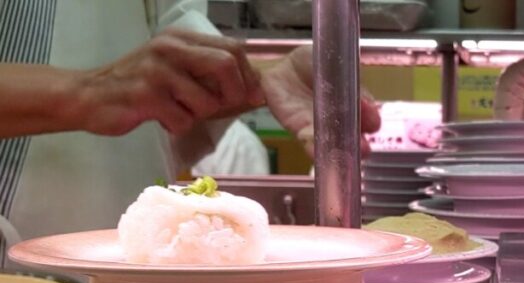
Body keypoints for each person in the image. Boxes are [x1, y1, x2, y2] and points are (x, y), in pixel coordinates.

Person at [0, 0, 379, 264]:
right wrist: (90, 91)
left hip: (125, 276)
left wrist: (262, 83)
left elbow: (166, 84)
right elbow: (115, 87)